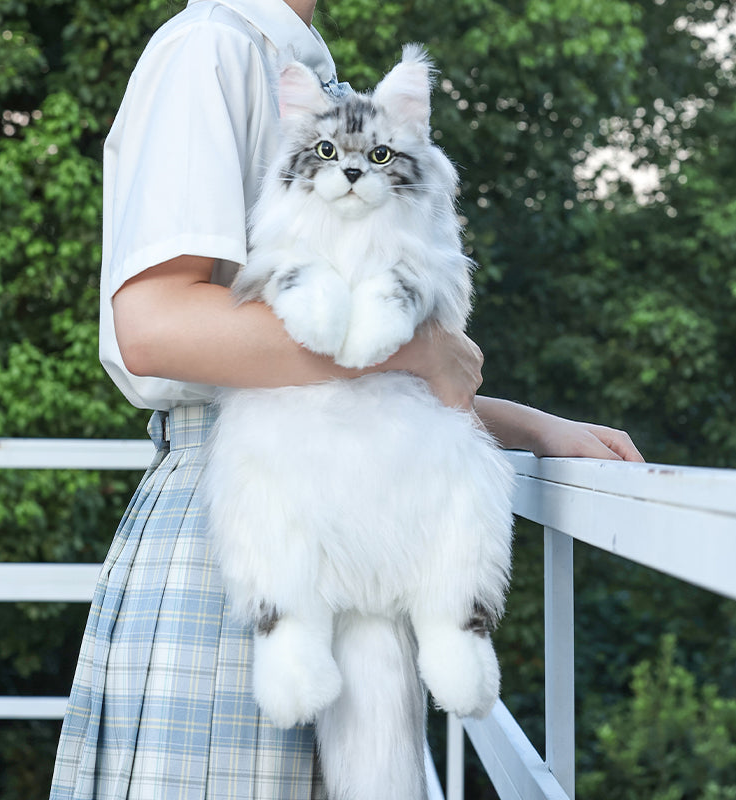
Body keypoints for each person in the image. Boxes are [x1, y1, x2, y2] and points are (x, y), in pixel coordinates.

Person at [50, 0, 643, 797]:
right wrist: (423, 346)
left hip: (343, 516)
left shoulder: (299, 69)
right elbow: (155, 327)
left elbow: (340, 373)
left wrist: (530, 426)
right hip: (238, 531)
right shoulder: (210, 49)